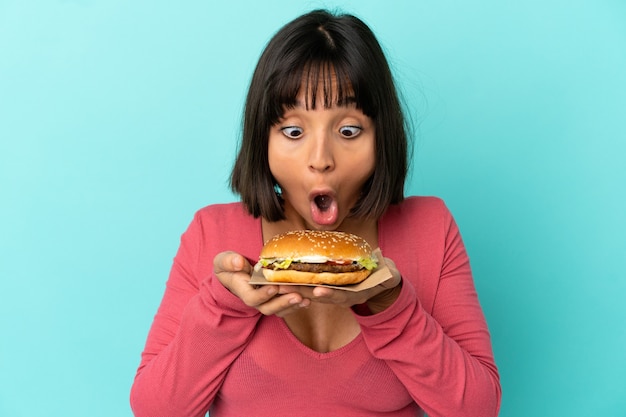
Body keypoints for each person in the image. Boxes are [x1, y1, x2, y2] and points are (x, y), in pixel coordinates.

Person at [130, 9, 501, 417]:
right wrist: (226, 304)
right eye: (293, 131)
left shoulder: (429, 227)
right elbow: (154, 410)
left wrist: (392, 304)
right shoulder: (213, 232)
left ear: (382, 136)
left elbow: (477, 409)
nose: (320, 159)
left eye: (348, 131)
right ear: (263, 139)